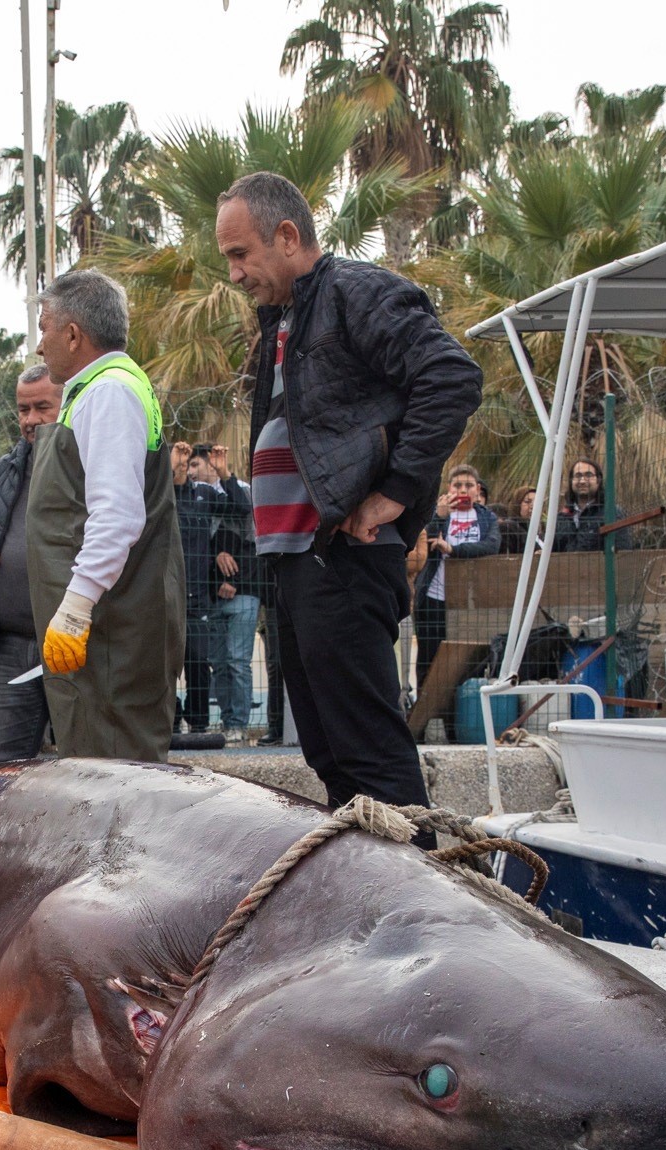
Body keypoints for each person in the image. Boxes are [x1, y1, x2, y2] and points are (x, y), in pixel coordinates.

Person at [217, 171, 483, 806]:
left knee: (370, 754)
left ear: (286, 236)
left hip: (344, 556)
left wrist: (392, 491)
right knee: (331, 754)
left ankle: (418, 901)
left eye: (239, 253)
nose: (233, 273)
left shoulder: (354, 292)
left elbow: (451, 376)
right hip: (298, 561)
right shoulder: (285, 318)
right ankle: (365, 895)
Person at [25, 268, 183, 761]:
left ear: (73, 334)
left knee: (117, 783)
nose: (38, 345)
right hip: (106, 632)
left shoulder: (109, 393)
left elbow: (116, 515)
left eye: (43, 327)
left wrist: (76, 607)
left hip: (112, 632)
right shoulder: (102, 389)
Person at [0, 366, 63, 763]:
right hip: (10, 644)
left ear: (66, 405)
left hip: (71, 643)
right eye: (23, 409)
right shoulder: (6, 470)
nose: (30, 420)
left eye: (42, 407)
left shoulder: (86, 464)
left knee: (86, 765)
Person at [411, 464, 499, 690]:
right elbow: (422, 544)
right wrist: (439, 518)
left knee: (468, 663)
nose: (462, 490)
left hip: (472, 601)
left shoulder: (487, 518)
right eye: (457, 485)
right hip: (434, 598)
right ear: (449, 488)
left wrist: (453, 549)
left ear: (477, 489)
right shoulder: (436, 513)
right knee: (429, 660)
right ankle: (422, 716)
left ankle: (456, 718)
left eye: (468, 485)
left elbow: (491, 545)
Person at [201, 447, 262, 742]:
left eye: (198, 464)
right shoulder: (198, 500)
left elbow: (253, 544)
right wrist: (216, 577)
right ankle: (227, 722)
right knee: (220, 662)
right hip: (212, 597)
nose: (193, 470)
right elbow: (198, 551)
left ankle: (238, 723)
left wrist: (234, 581)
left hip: (244, 593)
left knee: (238, 661)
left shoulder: (242, 492)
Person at [174, 440, 229, 732]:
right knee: (164, 666)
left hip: (198, 599)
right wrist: (170, 471)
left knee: (197, 664)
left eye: (190, 461)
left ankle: (198, 725)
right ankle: (168, 721)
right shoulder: (162, 496)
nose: (185, 466)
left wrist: (224, 474)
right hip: (166, 599)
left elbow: (240, 507)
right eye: (181, 461)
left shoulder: (206, 494)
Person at [555, 459, 608, 552]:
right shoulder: (561, 518)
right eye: (578, 476)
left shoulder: (611, 513)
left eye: (588, 475)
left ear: (598, 480)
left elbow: (622, 552)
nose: (582, 481)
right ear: (571, 481)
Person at [496, 484, 538, 558]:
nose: (532, 506)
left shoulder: (544, 530)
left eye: (537, 502)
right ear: (517, 504)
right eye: (527, 502)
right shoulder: (508, 527)